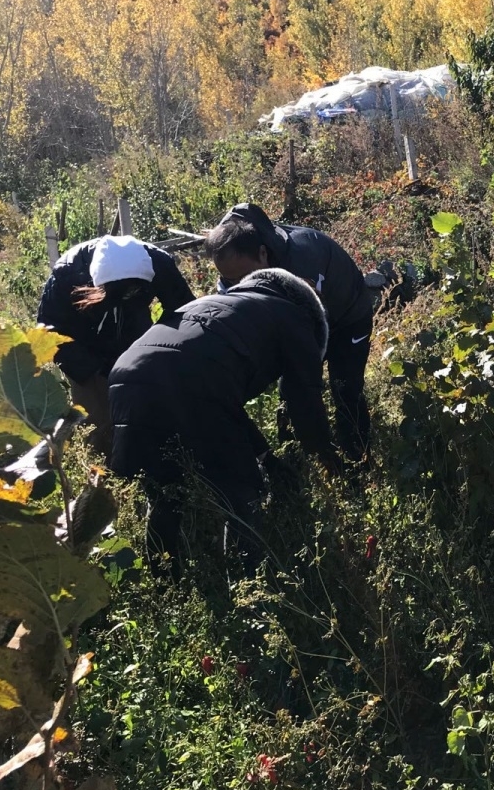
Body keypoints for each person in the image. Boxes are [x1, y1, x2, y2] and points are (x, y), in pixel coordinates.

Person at [108, 268, 341, 578]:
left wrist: (267, 457)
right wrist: (326, 457)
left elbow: (223, 403)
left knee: (165, 491)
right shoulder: (295, 317)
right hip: (191, 380)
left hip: (127, 375)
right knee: (242, 494)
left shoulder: (222, 305)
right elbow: (305, 403)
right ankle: (248, 593)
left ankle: (165, 584)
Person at [205, 203, 375, 462]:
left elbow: (308, 328)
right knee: (290, 392)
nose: (240, 286)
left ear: (263, 254)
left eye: (243, 277)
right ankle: (295, 459)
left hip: (347, 317)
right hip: (302, 316)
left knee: (345, 388)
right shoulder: (236, 258)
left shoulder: (302, 263)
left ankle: (357, 459)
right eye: (230, 281)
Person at [36, 235, 195, 457]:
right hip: (85, 350)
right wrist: (95, 370)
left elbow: (184, 312)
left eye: (132, 292)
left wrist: (158, 350)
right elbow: (49, 331)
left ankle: (151, 468)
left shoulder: (158, 263)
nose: (125, 296)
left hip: (136, 340)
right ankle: (103, 478)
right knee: (97, 421)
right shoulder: (69, 273)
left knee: (146, 410)